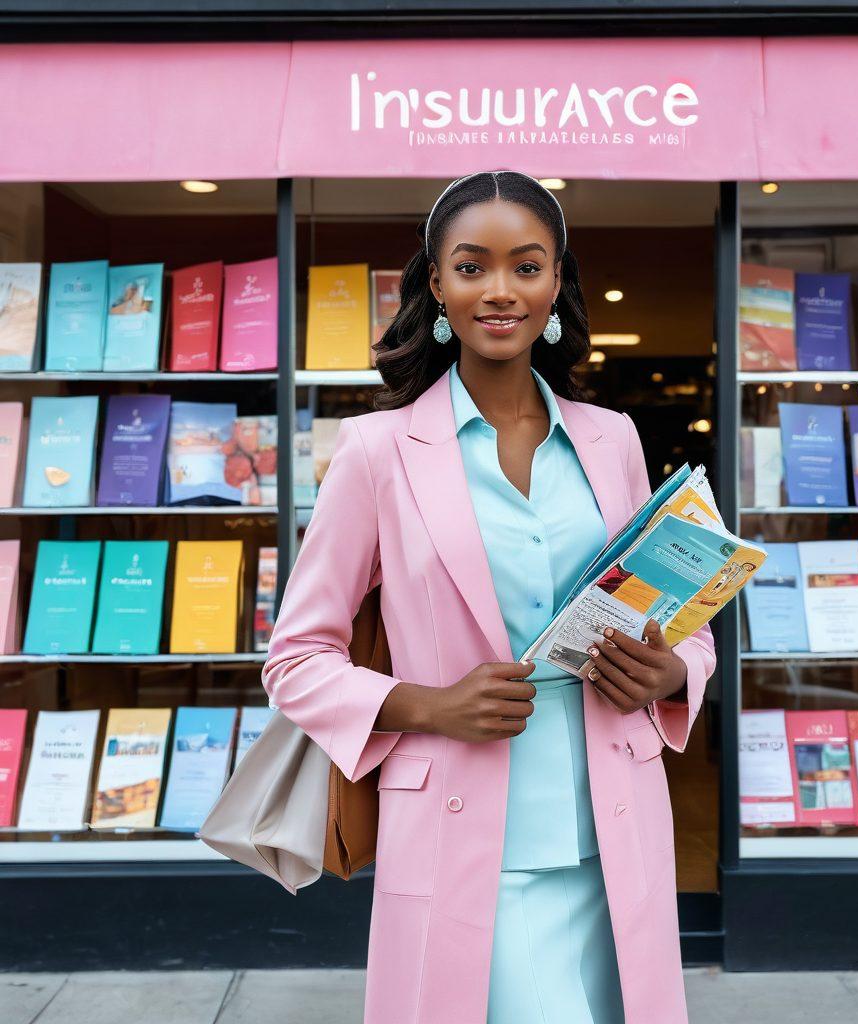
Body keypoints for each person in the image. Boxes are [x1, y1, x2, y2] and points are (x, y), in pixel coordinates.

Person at [262, 170, 716, 1024]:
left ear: (555, 284)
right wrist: (427, 705)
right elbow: (296, 660)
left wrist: (671, 672)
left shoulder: (611, 439)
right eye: (472, 268)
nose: (500, 291)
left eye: (527, 267)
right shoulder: (375, 452)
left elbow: (677, 616)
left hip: (615, 828)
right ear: (437, 285)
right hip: (461, 831)